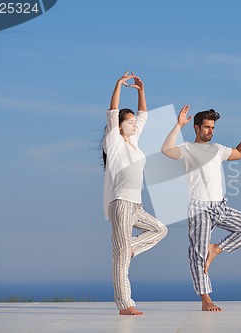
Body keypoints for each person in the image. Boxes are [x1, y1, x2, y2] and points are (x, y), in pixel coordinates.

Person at [161, 106, 241, 311]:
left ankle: (215, 248)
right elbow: (166, 150)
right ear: (196, 128)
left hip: (220, 205)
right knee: (197, 253)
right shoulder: (187, 148)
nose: (210, 131)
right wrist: (178, 125)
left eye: (212, 127)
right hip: (199, 208)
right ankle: (206, 300)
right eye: (206, 127)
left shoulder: (218, 149)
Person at [102, 71, 168, 316]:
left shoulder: (134, 142)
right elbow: (112, 111)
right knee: (121, 258)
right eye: (128, 122)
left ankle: (131, 246)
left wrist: (141, 90)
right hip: (120, 203)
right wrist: (118, 84)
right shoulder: (114, 142)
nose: (133, 124)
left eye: (132, 122)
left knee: (160, 229)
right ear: (119, 126)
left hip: (136, 205)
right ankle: (125, 304)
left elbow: (144, 115)